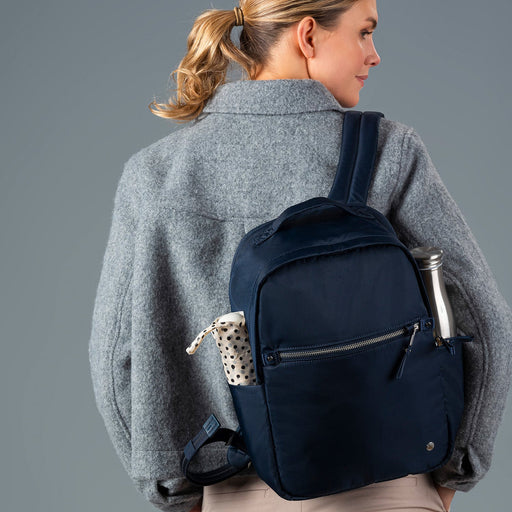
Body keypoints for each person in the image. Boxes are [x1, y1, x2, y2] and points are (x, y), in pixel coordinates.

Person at [88, 0, 512, 511]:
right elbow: (484, 322)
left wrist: (174, 493)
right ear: (307, 35)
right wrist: (455, 472)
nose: (374, 54)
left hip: (231, 490)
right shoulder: (387, 151)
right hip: (387, 484)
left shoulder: (154, 175)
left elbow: (117, 361)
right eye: (364, 32)